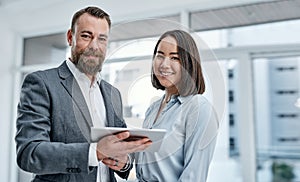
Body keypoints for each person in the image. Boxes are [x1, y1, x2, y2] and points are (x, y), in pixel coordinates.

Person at [15, 6, 151, 182]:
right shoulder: (42, 83)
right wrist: (95, 152)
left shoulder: (113, 94)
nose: (94, 46)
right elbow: (29, 153)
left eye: (102, 39)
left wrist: (124, 162)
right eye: (86, 36)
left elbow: (120, 150)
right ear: (70, 37)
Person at [135, 29, 219, 181]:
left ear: (188, 64)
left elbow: (193, 177)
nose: (164, 64)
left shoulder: (198, 109)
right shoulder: (153, 108)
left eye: (175, 58)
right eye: (160, 55)